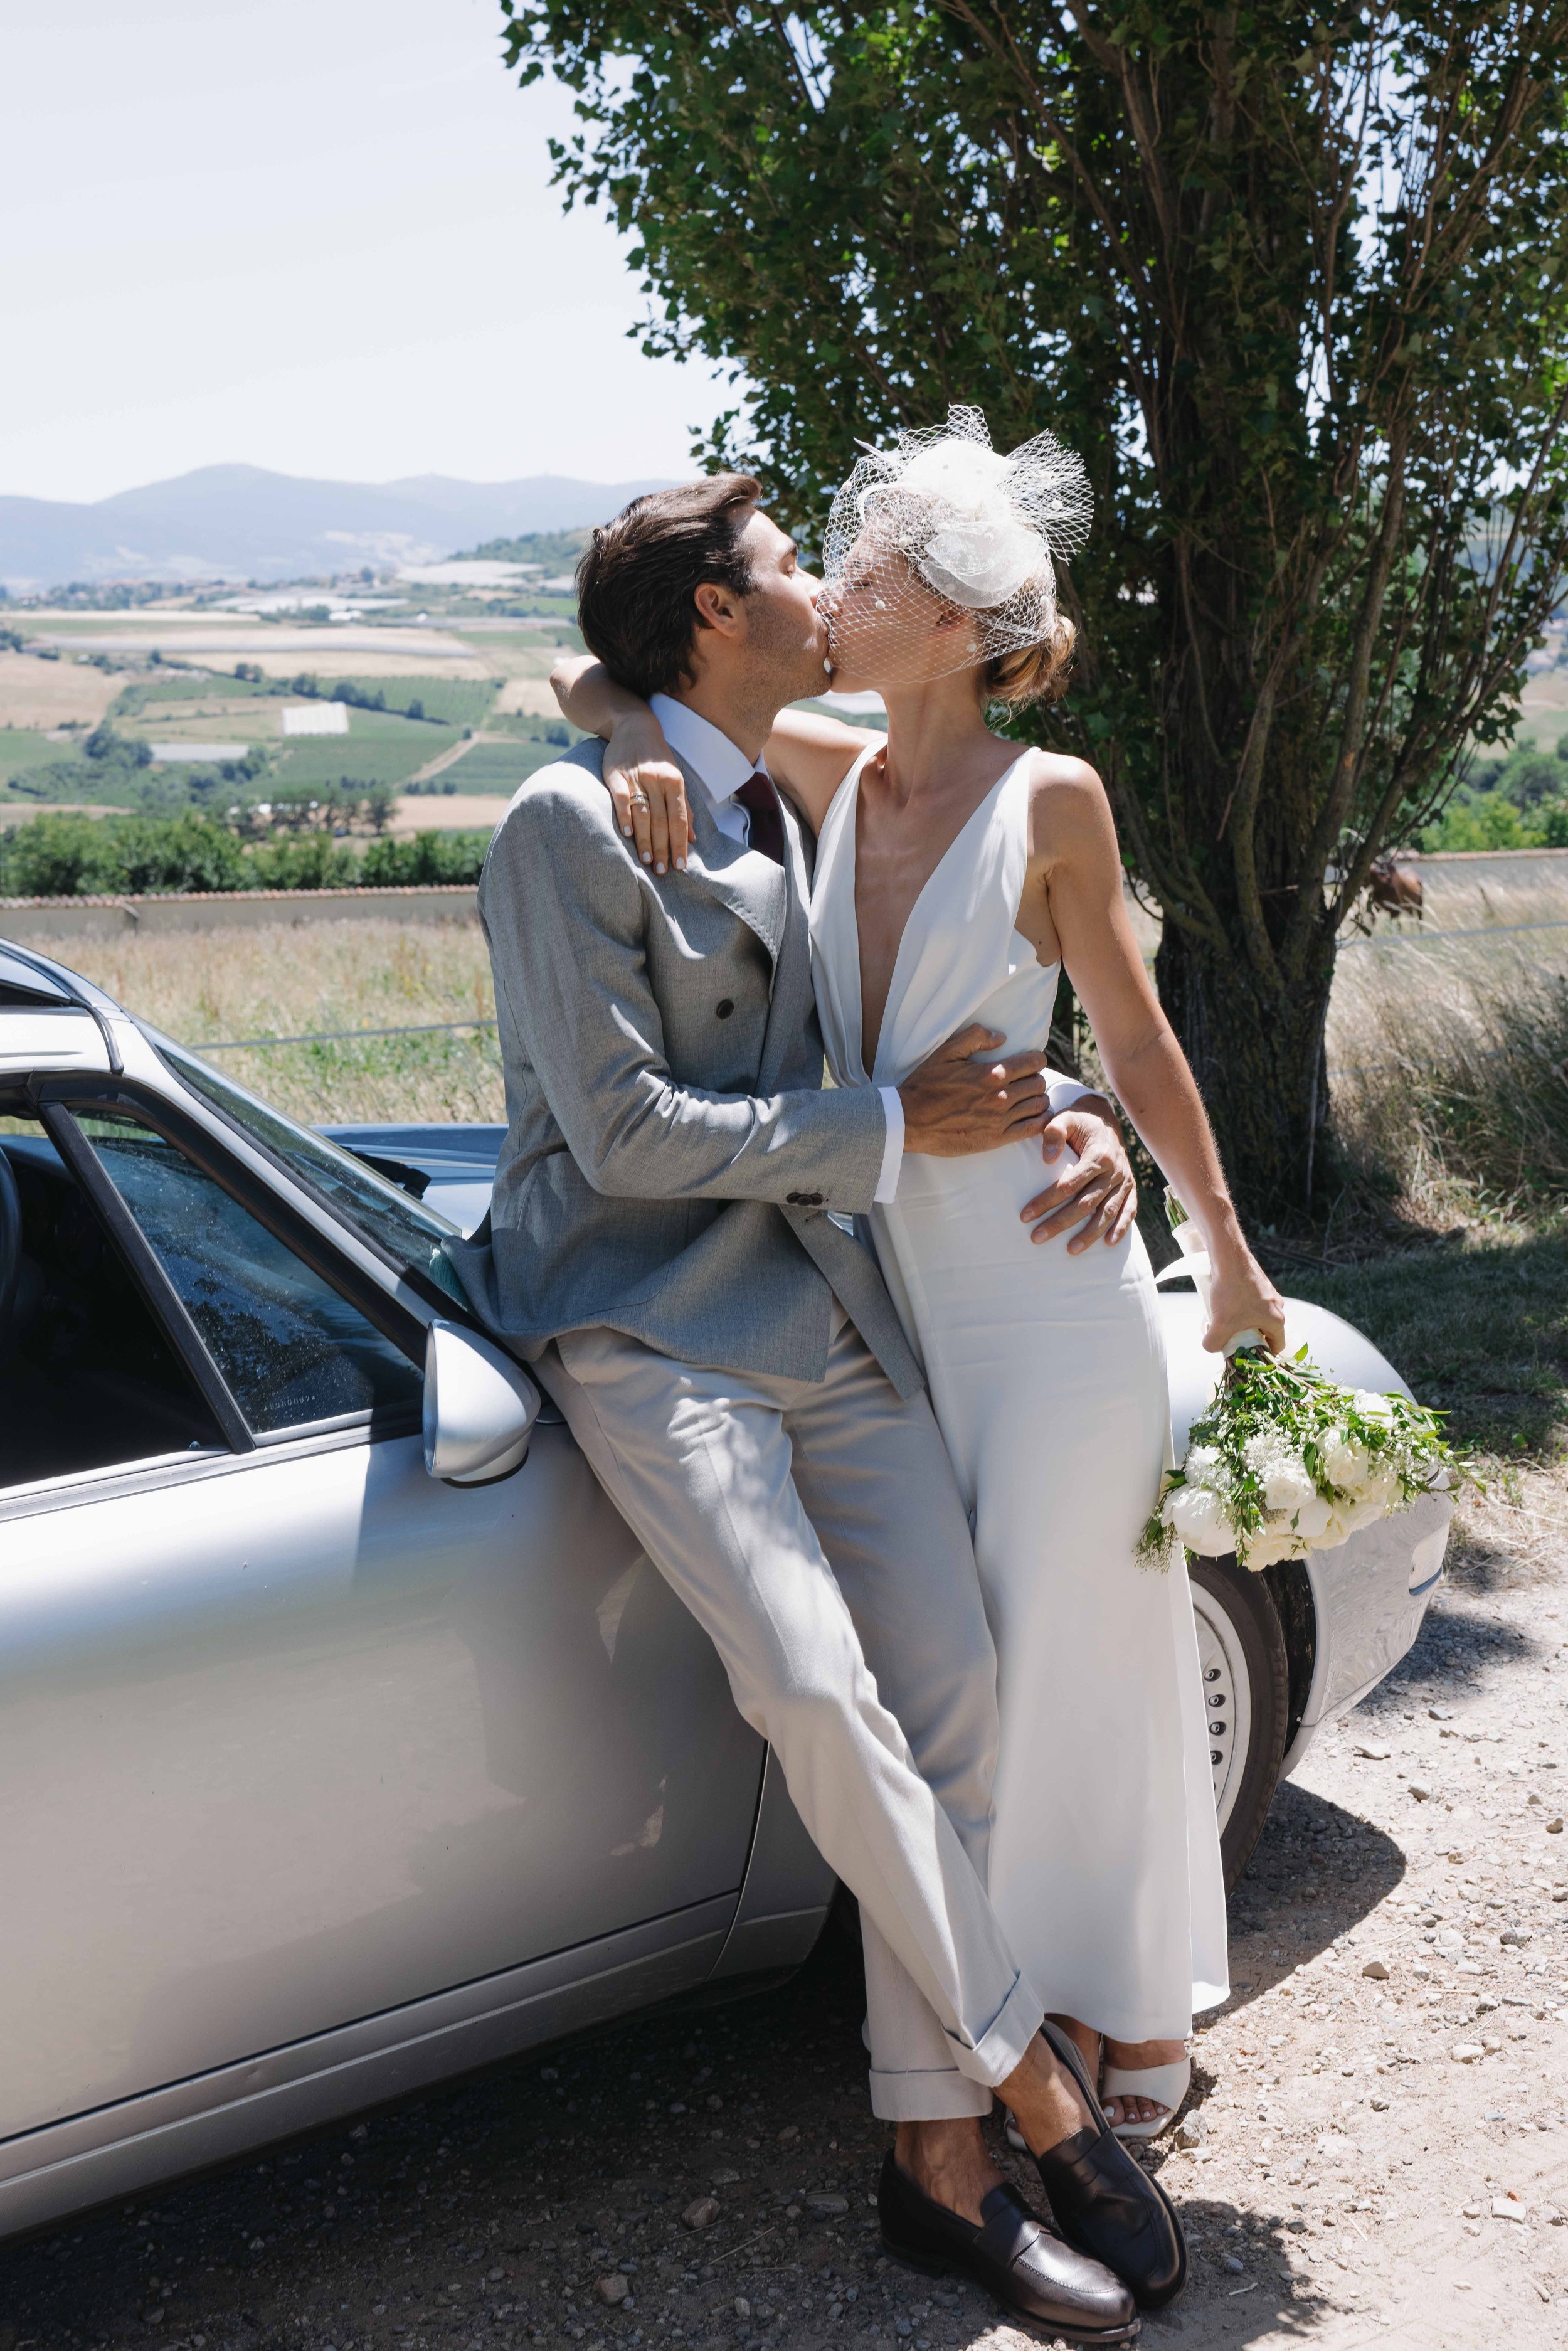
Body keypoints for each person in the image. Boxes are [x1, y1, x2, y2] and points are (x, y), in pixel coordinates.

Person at [450, 469, 1187, 2337]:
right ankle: (1018, 2092)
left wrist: (1072, 1108)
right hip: (643, 1320)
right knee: (807, 1679)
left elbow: (994, 954)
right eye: (789, 565)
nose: (816, 587)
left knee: (955, 1686)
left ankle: (926, 2161)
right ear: (715, 615)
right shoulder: (568, 822)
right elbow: (615, 1133)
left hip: (821, 1307)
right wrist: (884, 1130)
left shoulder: (798, 780)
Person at [553, 408, 1286, 2147]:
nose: (840, 587)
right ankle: (1006, 2012)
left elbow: (1129, 1022)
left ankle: (1134, 2019)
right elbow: (589, 680)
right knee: (964, 1678)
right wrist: (618, 739)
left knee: (1087, 1654)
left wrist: (1225, 1248)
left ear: (955, 625)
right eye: (836, 568)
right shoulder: (829, 766)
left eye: (870, 572)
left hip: (1046, 1288)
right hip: (883, 1296)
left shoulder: (1054, 795)